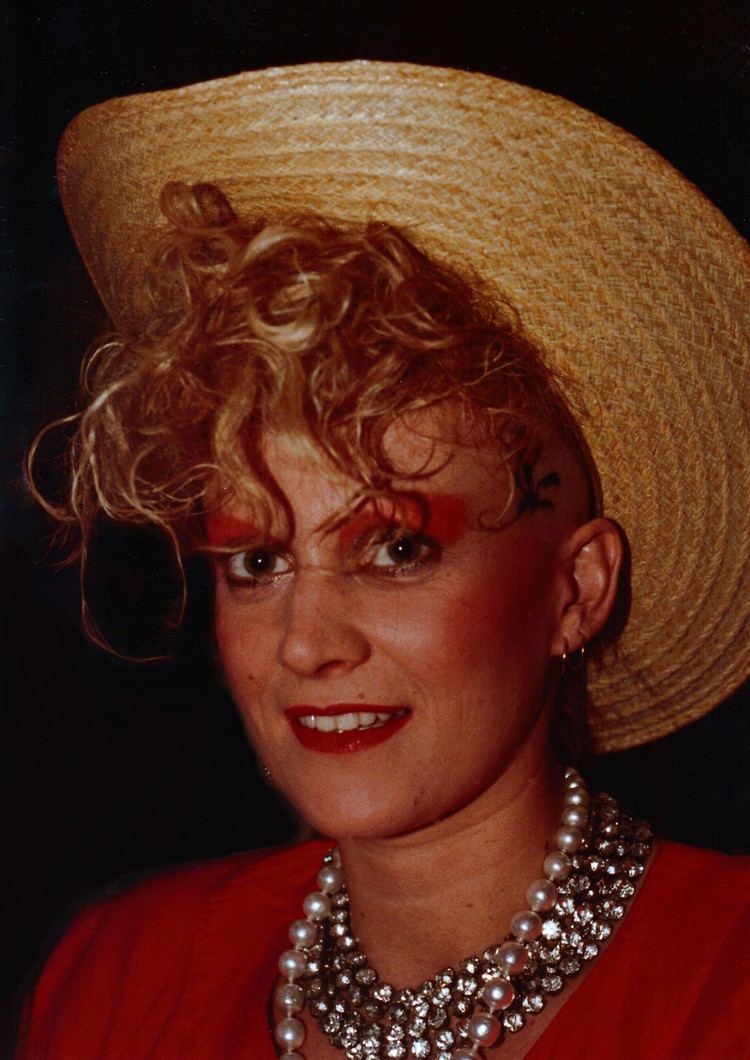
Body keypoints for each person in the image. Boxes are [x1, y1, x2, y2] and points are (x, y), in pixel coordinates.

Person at [17, 62, 750, 1059]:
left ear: (577, 589)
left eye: (397, 548)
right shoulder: (122, 983)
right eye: (259, 561)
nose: (305, 643)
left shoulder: (724, 986)